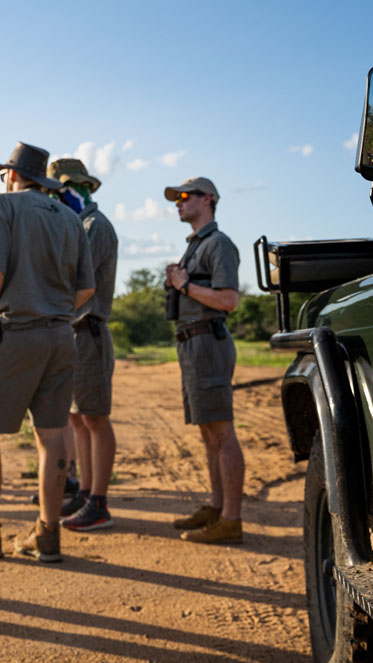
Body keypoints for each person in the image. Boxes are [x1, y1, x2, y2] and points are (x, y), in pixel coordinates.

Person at [0, 142, 94, 563]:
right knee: (51, 435)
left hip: (15, 331)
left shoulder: (2, 206)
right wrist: (56, 310)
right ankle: (48, 535)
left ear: (12, 175)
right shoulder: (69, 217)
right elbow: (87, 289)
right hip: (61, 336)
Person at [163, 177, 246, 544]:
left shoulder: (219, 244)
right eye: (176, 199)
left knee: (222, 431)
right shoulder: (196, 246)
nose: (178, 203)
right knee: (208, 430)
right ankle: (216, 507)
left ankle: (231, 520)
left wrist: (184, 286)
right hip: (192, 344)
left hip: (207, 341)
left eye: (184, 197)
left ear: (207, 199)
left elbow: (229, 300)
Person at [46, 158, 118, 532]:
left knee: (95, 418)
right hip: (74, 331)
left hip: (89, 329)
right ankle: (86, 492)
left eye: (58, 192)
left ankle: (99, 502)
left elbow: (72, 276)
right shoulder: (79, 224)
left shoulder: (94, 226)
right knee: (77, 417)